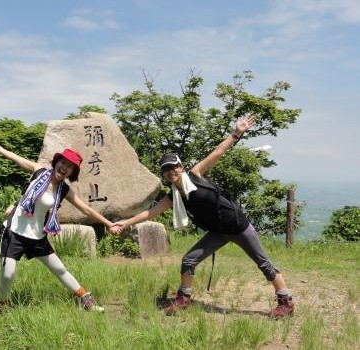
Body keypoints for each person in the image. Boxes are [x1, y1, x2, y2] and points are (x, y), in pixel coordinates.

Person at [115, 115, 294, 318]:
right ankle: (184, 299)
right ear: (164, 175)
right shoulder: (174, 196)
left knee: (263, 263)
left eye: (173, 167)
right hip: (218, 232)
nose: (170, 172)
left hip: (238, 226)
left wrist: (237, 132)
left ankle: (285, 302)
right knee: (189, 260)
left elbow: (218, 152)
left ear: (180, 167)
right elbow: (151, 213)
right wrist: (126, 222)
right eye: (166, 170)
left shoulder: (195, 174)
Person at [0, 143, 120, 312]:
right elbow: (17, 159)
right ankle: (1, 305)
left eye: (69, 167)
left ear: (71, 172)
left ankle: (85, 300)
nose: (64, 167)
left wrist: (108, 223)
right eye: (63, 162)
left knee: (60, 269)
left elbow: (85, 209)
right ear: (56, 162)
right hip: (15, 231)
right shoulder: (39, 171)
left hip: (37, 236)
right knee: (8, 274)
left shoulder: (63, 190)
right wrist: (0, 149)